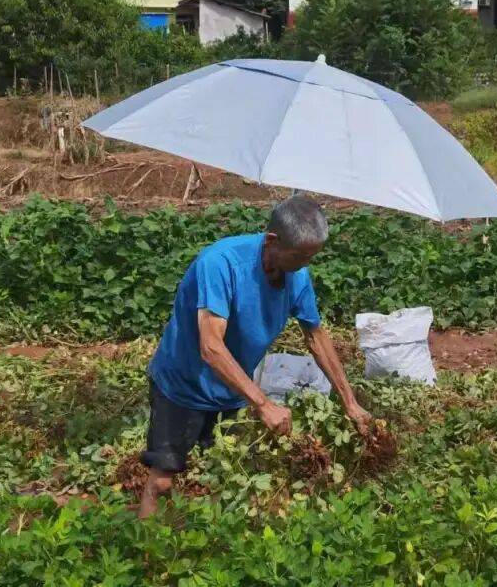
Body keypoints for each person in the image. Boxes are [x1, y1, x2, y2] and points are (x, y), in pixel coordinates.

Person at [138, 195, 372, 518]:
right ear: (272, 241)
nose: (305, 266)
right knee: (164, 480)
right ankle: (144, 551)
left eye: (311, 258)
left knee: (225, 477)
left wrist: (349, 401)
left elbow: (315, 337)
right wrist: (263, 404)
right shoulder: (221, 264)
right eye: (300, 257)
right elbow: (211, 347)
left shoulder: (297, 276)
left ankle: (204, 547)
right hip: (183, 385)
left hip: (233, 389)